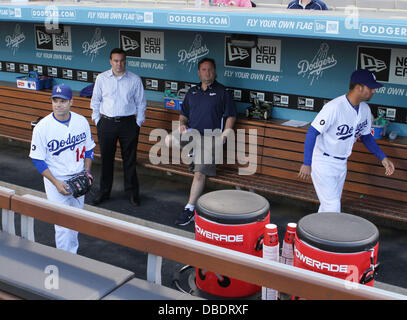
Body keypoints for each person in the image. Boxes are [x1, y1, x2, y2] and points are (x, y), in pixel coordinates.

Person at [298, 69, 395, 213]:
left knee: (328, 205)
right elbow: (312, 132)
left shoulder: (365, 110)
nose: (374, 91)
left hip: (341, 163)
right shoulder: (334, 107)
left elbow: (366, 137)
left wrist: (383, 157)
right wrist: (307, 163)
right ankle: (332, 235)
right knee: (333, 205)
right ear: (358, 87)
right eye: (370, 87)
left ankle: (314, 234)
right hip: (323, 162)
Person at [165, 58, 237, 226]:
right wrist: (182, 125)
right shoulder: (193, 92)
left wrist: (225, 136)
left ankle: (190, 207)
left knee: (199, 173)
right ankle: (192, 151)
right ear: (199, 72)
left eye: (210, 69)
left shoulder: (223, 92)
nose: (207, 72)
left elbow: (231, 116)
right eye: (204, 70)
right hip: (193, 135)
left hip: (212, 139)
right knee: (168, 139)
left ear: (215, 72)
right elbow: (184, 115)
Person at [29, 84, 96, 254]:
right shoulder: (42, 127)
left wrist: (87, 172)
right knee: (62, 225)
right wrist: (55, 182)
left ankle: (71, 255)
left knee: (75, 221)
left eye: (63, 101)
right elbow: (37, 160)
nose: (58, 104)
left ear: (71, 102)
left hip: (78, 177)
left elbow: (89, 149)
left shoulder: (81, 121)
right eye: (55, 100)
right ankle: (65, 260)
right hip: (56, 180)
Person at [90, 48, 146, 207]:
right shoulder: (102, 78)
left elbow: (141, 103)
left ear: (125, 61)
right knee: (106, 160)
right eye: (115, 60)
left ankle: (132, 193)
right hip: (106, 123)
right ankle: (104, 192)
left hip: (128, 124)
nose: (119, 64)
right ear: (110, 61)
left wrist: (138, 123)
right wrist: (97, 120)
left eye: (122, 60)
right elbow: (95, 101)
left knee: (130, 160)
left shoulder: (134, 79)